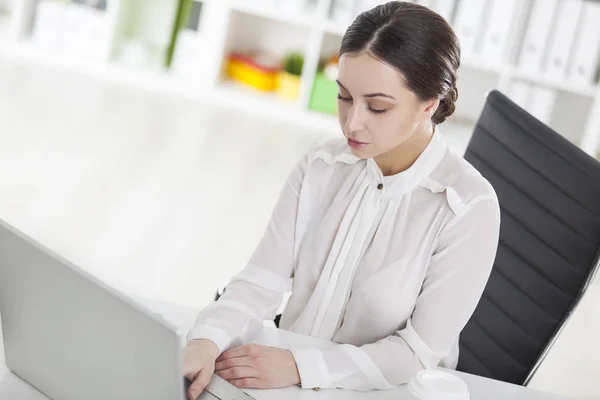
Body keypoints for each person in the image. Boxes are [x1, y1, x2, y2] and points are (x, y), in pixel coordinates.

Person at [182, 2, 500, 398]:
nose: (352, 123)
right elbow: (260, 281)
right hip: (285, 381)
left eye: (378, 107)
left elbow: (416, 353)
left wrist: (300, 366)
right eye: (345, 96)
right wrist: (205, 340)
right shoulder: (321, 165)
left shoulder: (467, 207)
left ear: (429, 105)